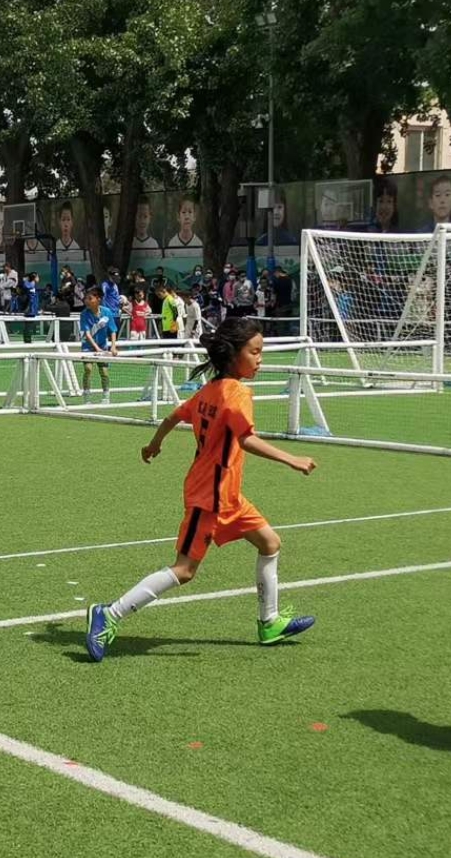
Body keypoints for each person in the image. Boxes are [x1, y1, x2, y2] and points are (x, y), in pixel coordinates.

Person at [86, 318, 316, 661]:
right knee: (185, 569)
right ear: (233, 354)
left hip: (228, 496)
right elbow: (245, 439)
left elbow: (172, 417)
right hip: (209, 497)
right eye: (254, 352)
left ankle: (269, 623)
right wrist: (291, 458)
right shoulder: (236, 393)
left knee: (270, 543)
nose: (260, 359)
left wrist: (154, 445)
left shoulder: (208, 391)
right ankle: (109, 613)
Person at [78, 287, 118, 404]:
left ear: (98, 299)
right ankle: (87, 398)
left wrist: (113, 346)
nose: (87, 301)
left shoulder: (107, 312)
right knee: (88, 369)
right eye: (86, 298)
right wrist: (96, 349)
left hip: (103, 346)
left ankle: (106, 397)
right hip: (88, 346)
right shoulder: (84, 314)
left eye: (90, 298)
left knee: (104, 372)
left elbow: (113, 330)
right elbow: (87, 333)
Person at [21, 272, 41, 344]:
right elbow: (31, 299)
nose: (38, 278)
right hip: (30, 309)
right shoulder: (31, 285)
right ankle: (27, 339)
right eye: (37, 277)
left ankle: (27, 339)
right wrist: (32, 308)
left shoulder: (28, 284)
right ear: (34, 278)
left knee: (28, 325)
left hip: (30, 308)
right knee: (29, 325)